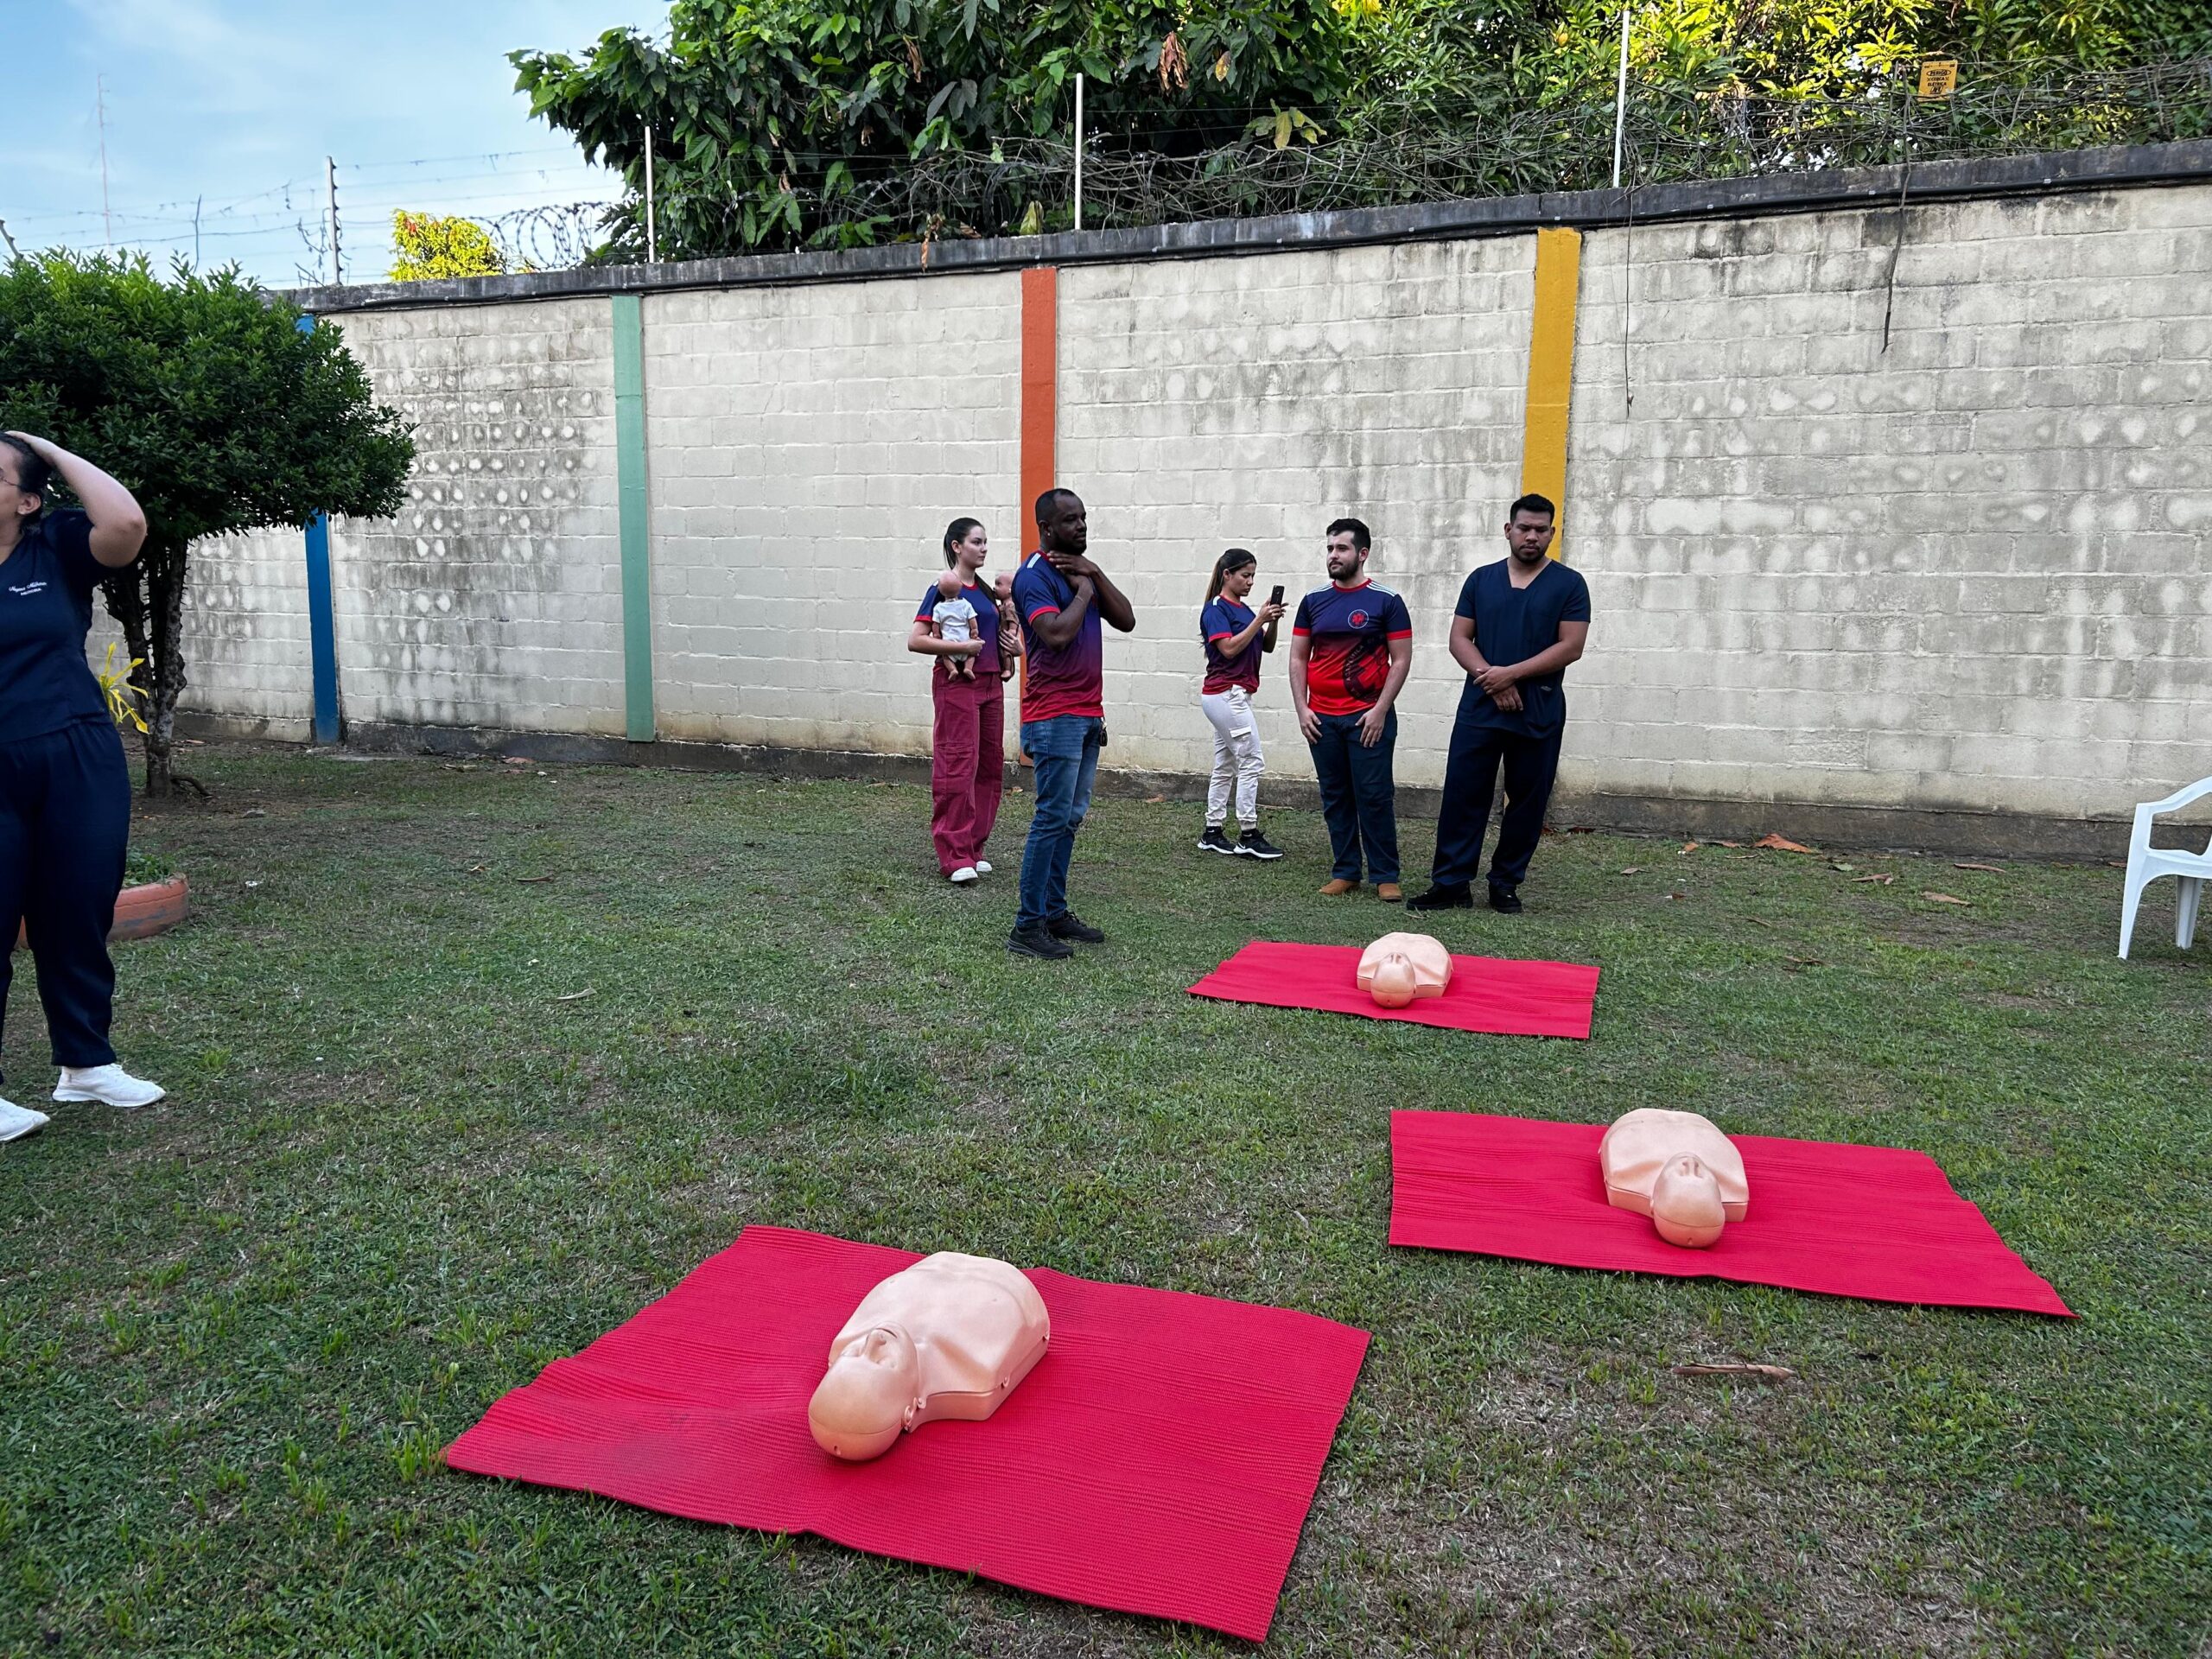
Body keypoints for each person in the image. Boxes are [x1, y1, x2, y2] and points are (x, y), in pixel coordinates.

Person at [0, 431, 164, 1144]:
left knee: (77, 905)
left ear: (27, 500)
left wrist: (45, 447)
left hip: (75, 751)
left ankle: (86, 1063)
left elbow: (126, 525)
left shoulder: (56, 546)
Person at [1408, 493, 1591, 915]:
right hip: (1481, 707)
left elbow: (1572, 646)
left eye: (1540, 529)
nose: (1532, 536)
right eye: (1524, 528)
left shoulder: (1569, 584)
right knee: (1463, 794)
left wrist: (1513, 674)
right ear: (1508, 530)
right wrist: (1493, 681)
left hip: (1538, 709)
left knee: (1527, 799)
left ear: (1552, 533)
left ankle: (1505, 883)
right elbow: (1459, 639)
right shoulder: (1480, 580)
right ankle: (1451, 883)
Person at [1007, 488, 1135, 959]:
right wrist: (1084, 590)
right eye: (1070, 520)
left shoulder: (1083, 569)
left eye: (1083, 518)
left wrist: (1095, 573)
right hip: (1053, 715)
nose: (1081, 526)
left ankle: (1054, 911)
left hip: (1086, 713)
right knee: (1051, 817)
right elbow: (1056, 634)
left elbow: (1127, 619)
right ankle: (1027, 926)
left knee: (1070, 819)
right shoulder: (1034, 576)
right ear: (1046, 528)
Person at [1287, 518, 1413, 902]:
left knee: (1374, 795)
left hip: (1367, 719)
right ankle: (1346, 871)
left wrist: (1380, 710)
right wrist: (1302, 709)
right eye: (1329, 548)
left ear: (1362, 553)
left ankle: (1385, 875)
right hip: (1322, 719)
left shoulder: (1386, 601)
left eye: (1341, 549)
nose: (1333, 556)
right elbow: (1297, 657)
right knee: (1336, 796)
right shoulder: (1313, 601)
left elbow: (1402, 659)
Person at [909, 518, 1020, 886]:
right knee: (957, 765)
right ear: (957, 547)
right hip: (957, 685)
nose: (984, 548)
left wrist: (1014, 652)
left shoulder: (989, 593)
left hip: (991, 684)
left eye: (986, 542)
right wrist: (961, 648)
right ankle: (954, 855)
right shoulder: (944, 588)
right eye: (976, 542)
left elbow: (1005, 635)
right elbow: (917, 640)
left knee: (988, 768)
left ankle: (974, 848)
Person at [1195, 548, 1286, 860]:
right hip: (1225, 694)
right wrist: (1259, 618)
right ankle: (1248, 833)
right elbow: (1229, 648)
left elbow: (1267, 646)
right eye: (1245, 575)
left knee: (1226, 764)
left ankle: (1213, 831)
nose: (1250, 582)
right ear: (1227, 575)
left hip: (1232, 694)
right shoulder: (1216, 610)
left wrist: (1270, 621)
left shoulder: (1245, 611)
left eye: (1253, 576)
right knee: (1251, 760)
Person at [929, 570, 981, 683]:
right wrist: (974, 630)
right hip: (965, 641)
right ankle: (968, 668)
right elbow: (972, 619)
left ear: (940, 591)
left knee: (946, 657)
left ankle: (953, 670)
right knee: (972, 654)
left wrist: (936, 635)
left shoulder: (938, 608)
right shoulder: (965, 604)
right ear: (960, 587)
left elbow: (935, 624)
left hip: (949, 644)